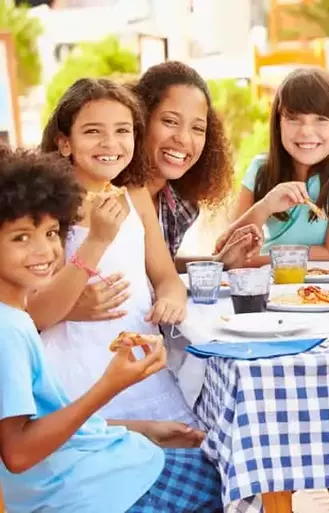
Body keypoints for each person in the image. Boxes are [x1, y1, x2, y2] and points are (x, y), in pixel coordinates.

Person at [0, 149, 221, 513]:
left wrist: (138, 428)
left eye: (51, 232)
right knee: (233, 481)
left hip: (97, 460)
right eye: (21, 237)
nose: (44, 250)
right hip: (85, 488)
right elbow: (18, 452)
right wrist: (109, 385)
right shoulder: (8, 331)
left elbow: (43, 419)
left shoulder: (17, 315)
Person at [29, 78, 194, 424]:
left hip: (140, 361)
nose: (110, 143)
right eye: (92, 132)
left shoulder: (134, 196)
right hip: (76, 372)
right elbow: (36, 314)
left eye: (123, 130)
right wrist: (97, 242)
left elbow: (166, 277)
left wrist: (170, 299)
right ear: (64, 143)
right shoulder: (48, 208)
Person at [216, 67, 329, 266]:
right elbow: (227, 248)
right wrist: (265, 206)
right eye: (294, 119)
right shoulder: (260, 168)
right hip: (270, 282)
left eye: (321, 120)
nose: (306, 131)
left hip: (328, 285)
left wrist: (247, 261)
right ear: (278, 123)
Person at [133, 61, 259, 269]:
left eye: (198, 128)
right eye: (170, 121)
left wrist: (219, 263)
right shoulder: (109, 194)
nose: (184, 139)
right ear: (140, 118)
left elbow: (157, 270)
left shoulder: (182, 205)